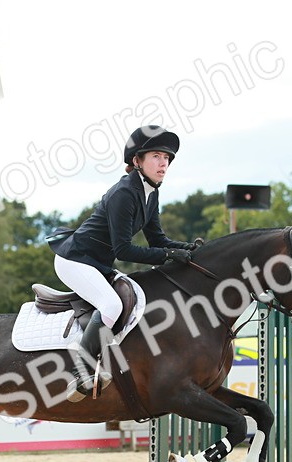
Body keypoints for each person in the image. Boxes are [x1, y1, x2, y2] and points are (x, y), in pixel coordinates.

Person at [49, 125, 200, 402]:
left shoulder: (151, 193)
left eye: (167, 158)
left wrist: (187, 248)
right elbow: (124, 250)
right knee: (111, 305)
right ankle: (79, 369)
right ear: (137, 161)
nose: (163, 163)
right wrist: (168, 255)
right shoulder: (124, 193)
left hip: (97, 263)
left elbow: (158, 239)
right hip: (75, 260)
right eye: (156, 156)